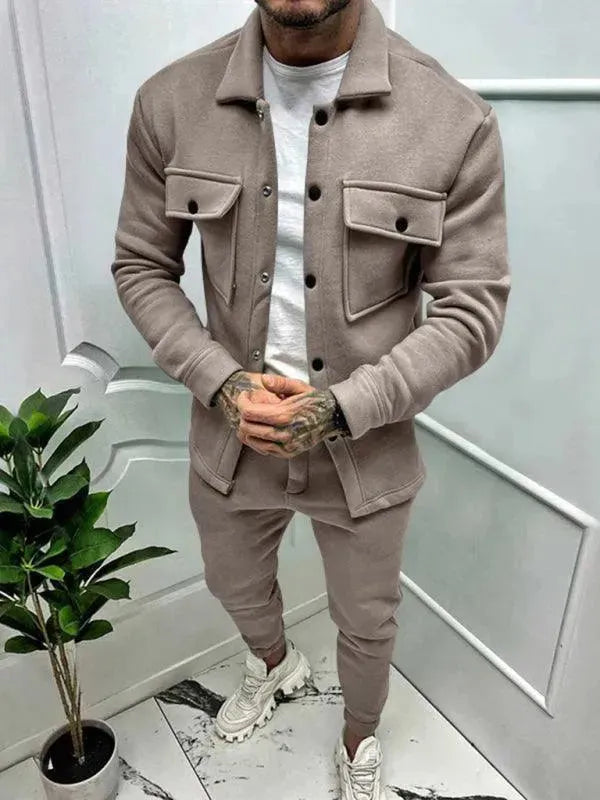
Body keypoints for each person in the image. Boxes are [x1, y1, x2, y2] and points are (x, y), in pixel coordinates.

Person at [110, 0, 511, 796]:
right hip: (230, 440)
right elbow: (140, 265)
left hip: (367, 449)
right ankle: (273, 664)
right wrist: (221, 382)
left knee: (367, 619)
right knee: (231, 581)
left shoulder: (454, 120)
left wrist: (342, 407)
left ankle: (359, 740)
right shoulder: (169, 102)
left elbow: (472, 310)